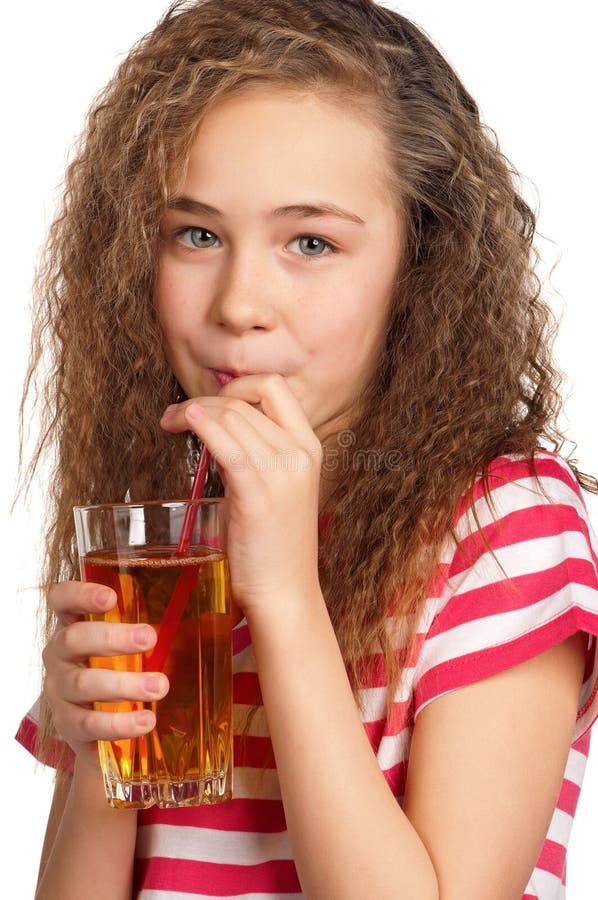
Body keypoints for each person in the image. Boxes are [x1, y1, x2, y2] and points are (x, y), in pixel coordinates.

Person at [15, 0, 598, 897]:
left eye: (312, 242)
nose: (240, 302)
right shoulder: (170, 534)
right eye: (197, 235)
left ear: (420, 268)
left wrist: (285, 594)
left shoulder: (505, 523)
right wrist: (102, 751)